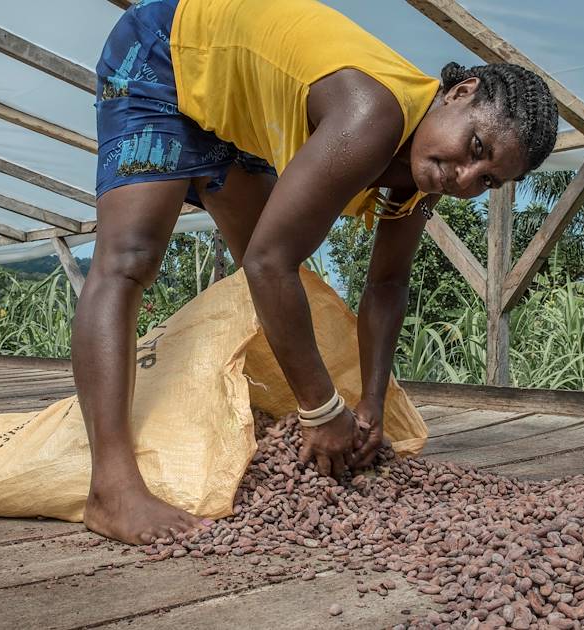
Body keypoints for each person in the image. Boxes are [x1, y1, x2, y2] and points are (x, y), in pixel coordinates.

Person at [73, 0, 559, 545]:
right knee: (132, 258)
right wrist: (324, 408)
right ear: (460, 92)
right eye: (475, 147)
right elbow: (268, 262)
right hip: (165, 51)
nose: (465, 177)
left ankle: (255, 427)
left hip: (236, 118)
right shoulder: (373, 115)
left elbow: (387, 284)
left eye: (488, 180)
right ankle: (110, 489)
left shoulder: (419, 179)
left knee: (270, 274)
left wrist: (370, 403)